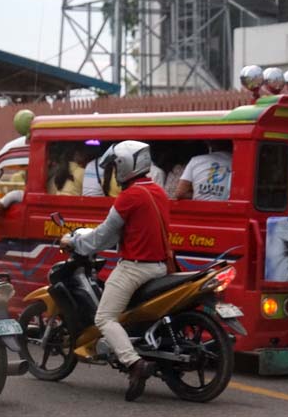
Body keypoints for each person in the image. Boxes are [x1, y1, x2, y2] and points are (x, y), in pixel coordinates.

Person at [61, 141, 169, 402]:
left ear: (124, 166)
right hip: (160, 266)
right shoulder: (157, 191)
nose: (112, 173)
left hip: (136, 268)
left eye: (113, 166)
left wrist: (74, 242)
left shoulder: (129, 196)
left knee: (104, 318)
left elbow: (102, 237)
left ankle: (134, 363)